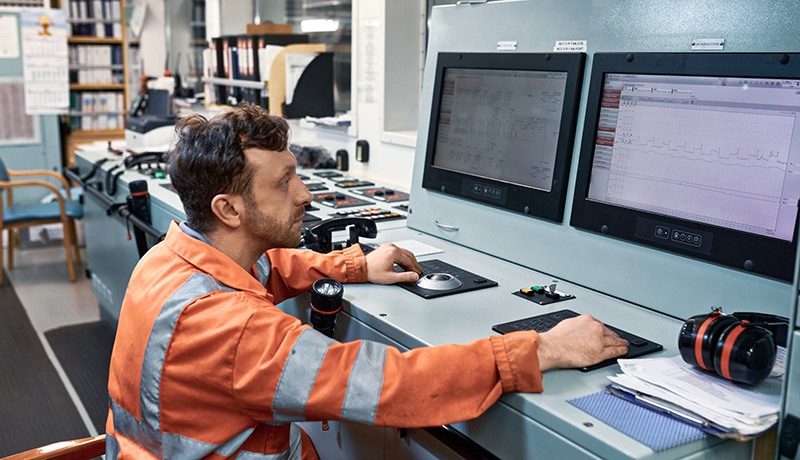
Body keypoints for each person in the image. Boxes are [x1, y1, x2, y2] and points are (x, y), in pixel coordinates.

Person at [105, 104, 628, 458]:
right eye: (285, 182)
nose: (305, 195)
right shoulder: (234, 330)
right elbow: (389, 382)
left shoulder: (172, 259)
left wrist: (354, 266)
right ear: (229, 208)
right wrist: (538, 350)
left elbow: (270, 269)